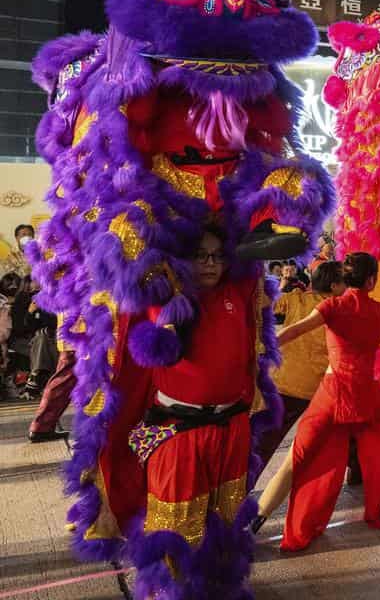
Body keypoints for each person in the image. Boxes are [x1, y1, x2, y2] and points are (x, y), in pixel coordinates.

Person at [272, 253, 380, 551]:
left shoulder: (332, 305)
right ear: (371, 280)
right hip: (366, 394)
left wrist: (262, 351)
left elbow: (294, 330)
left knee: (308, 457)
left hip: (332, 393)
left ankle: (294, 525)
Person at [131, 225, 260, 586]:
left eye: (218, 256)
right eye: (201, 255)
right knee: (175, 528)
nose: (210, 264)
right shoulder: (166, 298)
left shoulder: (238, 291)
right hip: (178, 433)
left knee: (227, 522)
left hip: (230, 429)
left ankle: (221, 588)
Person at [255, 261, 344, 464]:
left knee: (264, 442)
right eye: (344, 282)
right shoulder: (340, 310)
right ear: (334, 286)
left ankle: (242, 487)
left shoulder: (297, 299)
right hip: (319, 388)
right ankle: (358, 471)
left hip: (284, 382)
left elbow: (266, 302)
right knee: (344, 436)